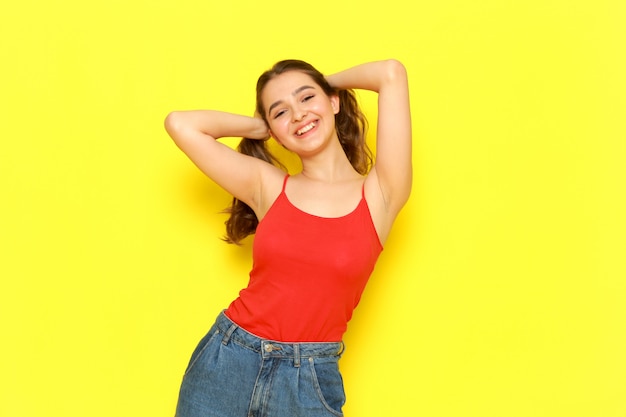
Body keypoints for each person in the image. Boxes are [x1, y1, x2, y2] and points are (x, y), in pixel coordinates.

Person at [164, 59, 411, 417]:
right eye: (281, 112)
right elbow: (180, 124)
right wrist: (259, 127)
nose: (297, 115)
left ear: (334, 102)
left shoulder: (380, 194)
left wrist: (326, 84)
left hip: (308, 378)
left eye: (307, 97)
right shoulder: (267, 186)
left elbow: (391, 73)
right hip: (228, 360)